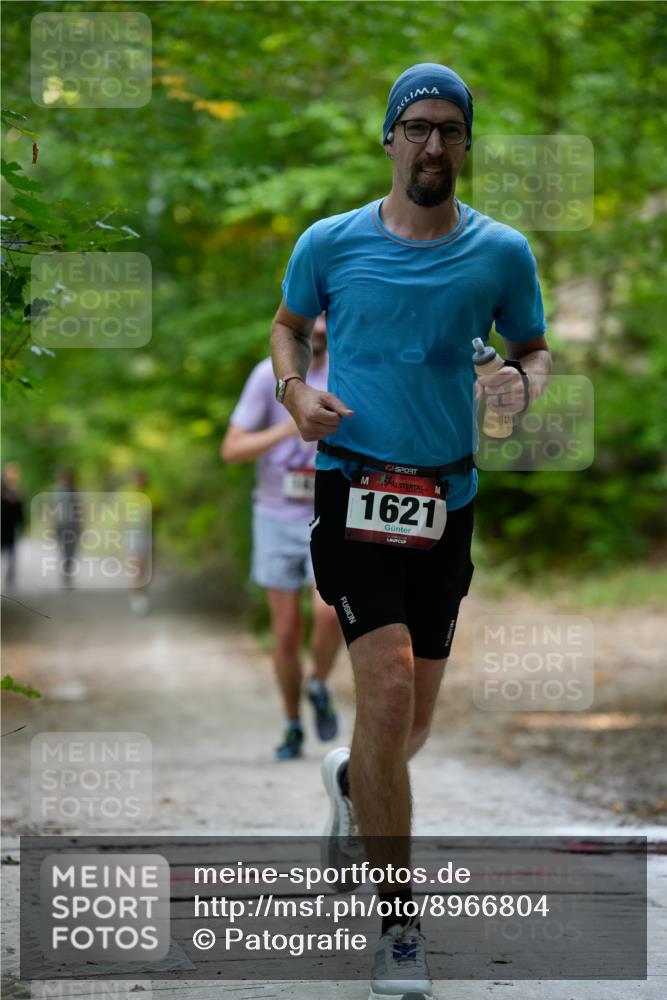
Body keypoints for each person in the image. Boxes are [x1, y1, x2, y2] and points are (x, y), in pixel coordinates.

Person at [271, 63, 551, 999]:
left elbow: (531, 350)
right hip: (351, 491)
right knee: (386, 688)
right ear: (389, 137)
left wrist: (521, 386)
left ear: (467, 143)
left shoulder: (501, 252)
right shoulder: (329, 241)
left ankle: (355, 784)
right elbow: (286, 324)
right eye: (417, 128)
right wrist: (296, 388)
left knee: (410, 723)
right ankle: (398, 928)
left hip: (447, 501)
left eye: (450, 131)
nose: (433, 146)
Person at [222, 314, 343, 761]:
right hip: (274, 515)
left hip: (329, 514)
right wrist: (292, 422)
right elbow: (232, 449)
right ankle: (293, 725)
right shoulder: (265, 376)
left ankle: (319, 683)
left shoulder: (349, 372)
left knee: (331, 614)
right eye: (314, 325)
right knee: (287, 632)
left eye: (329, 325)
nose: (321, 332)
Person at [1, 462, 25, 590]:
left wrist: (22, 525)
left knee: (12, 555)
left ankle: (10, 580)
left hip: (11, 528)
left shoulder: (18, 492)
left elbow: (20, 512)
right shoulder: (2, 490)